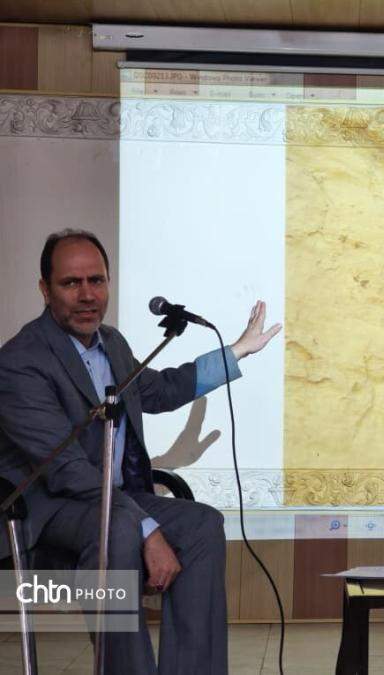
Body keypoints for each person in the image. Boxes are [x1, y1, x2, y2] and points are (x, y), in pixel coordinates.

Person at [0, 229, 281, 674]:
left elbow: (160, 389)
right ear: (45, 290)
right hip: (52, 510)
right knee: (118, 529)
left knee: (203, 525)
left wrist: (237, 352)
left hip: (117, 501)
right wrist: (148, 530)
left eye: (96, 280)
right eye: (71, 283)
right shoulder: (21, 360)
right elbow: (68, 471)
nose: (87, 295)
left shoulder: (111, 342)